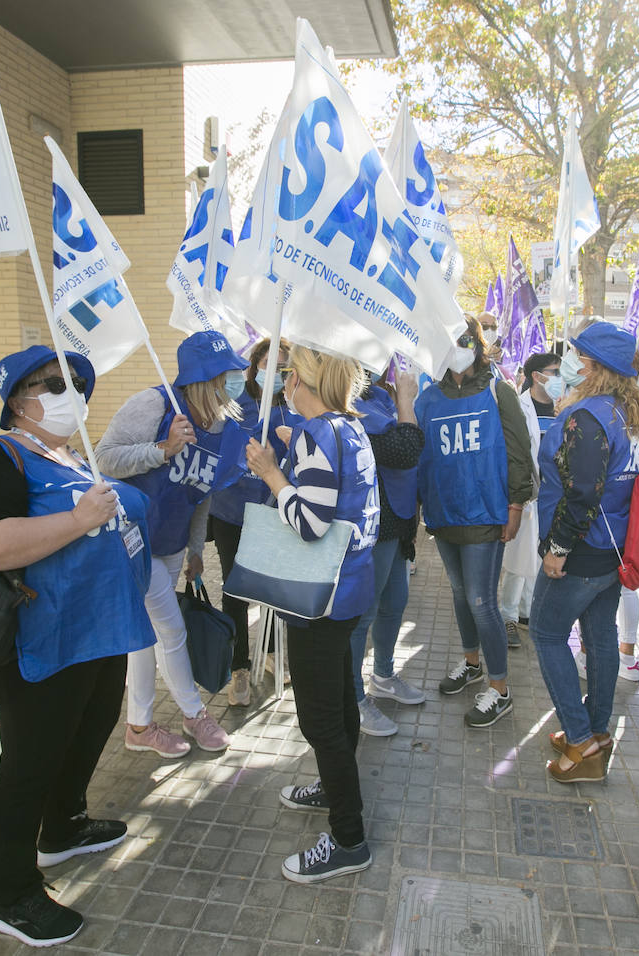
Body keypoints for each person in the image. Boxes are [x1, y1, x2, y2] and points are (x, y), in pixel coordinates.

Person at [0, 347, 156, 947]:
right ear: (18, 401)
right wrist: (78, 520)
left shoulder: (68, 455)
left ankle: (63, 826)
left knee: (89, 732)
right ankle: (12, 895)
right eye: (53, 383)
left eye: (75, 384)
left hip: (98, 633)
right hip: (39, 644)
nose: (71, 393)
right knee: (27, 765)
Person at [244, 345, 378, 883]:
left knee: (320, 717)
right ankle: (332, 784)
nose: (283, 388)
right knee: (340, 699)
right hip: (347, 590)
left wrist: (275, 474)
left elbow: (308, 523)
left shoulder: (319, 435)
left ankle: (349, 839)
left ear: (303, 381)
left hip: (321, 596)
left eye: (287, 379)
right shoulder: (348, 428)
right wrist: (293, 455)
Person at [96, 330, 247, 757]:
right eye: (226, 375)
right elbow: (104, 458)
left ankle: (139, 728)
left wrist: (197, 549)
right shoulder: (154, 404)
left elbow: (201, 491)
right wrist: (161, 450)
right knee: (171, 629)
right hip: (133, 540)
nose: (234, 382)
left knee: (144, 638)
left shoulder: (219, 423)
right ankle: (195, 714)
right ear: (205, 379)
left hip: (172, 542)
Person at [532, 324, 639, 782]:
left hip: (581, 550)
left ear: (596, 367)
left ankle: (581, 743)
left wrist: (558, 550)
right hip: (614, 548)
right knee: (600, 634)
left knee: (546, 635)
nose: (570, 362)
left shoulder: (588, 417)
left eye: (577, 355)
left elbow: (582, 492)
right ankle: (598, 732)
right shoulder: (628, 413)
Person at [415, 316, 534, 728]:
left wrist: (516, 505)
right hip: (444, 513)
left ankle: (500, 689)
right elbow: (419, 456)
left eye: (466, 338)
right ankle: (471, 664)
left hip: (485, 512)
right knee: (460, 593)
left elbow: (520, 452)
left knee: (483, 601)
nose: (459, 345)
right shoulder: (428, 399)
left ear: (478, 343)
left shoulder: (498, 390)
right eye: (451, 339)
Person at [208, 338, 302, 705]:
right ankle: (240, 668)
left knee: (271, 589)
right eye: (267, 364)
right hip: (232, 512)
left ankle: (273, 653)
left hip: (273, 511)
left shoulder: (292, 407)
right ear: (254, 366)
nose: (274, 373)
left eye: (283, 368)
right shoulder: (233, 404)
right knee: (235, 591)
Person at [349, 364, 427, 737]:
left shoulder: (379, 397)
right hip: (373, 526)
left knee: (395, 602)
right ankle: (352, 698)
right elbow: (404, 449)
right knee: (363, 615)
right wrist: (407, 400)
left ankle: (383, 674)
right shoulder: (349, 405)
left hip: (397, 523)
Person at [498, 351, 560, 643]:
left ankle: (527, 612)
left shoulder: (564, 406)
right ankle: (508, 616)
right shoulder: (521, 407)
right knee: (516, 559)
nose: (560, 378)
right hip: (528, 493)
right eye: (555, 372)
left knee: (538, 558)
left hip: (553, 495)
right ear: (538, 376)